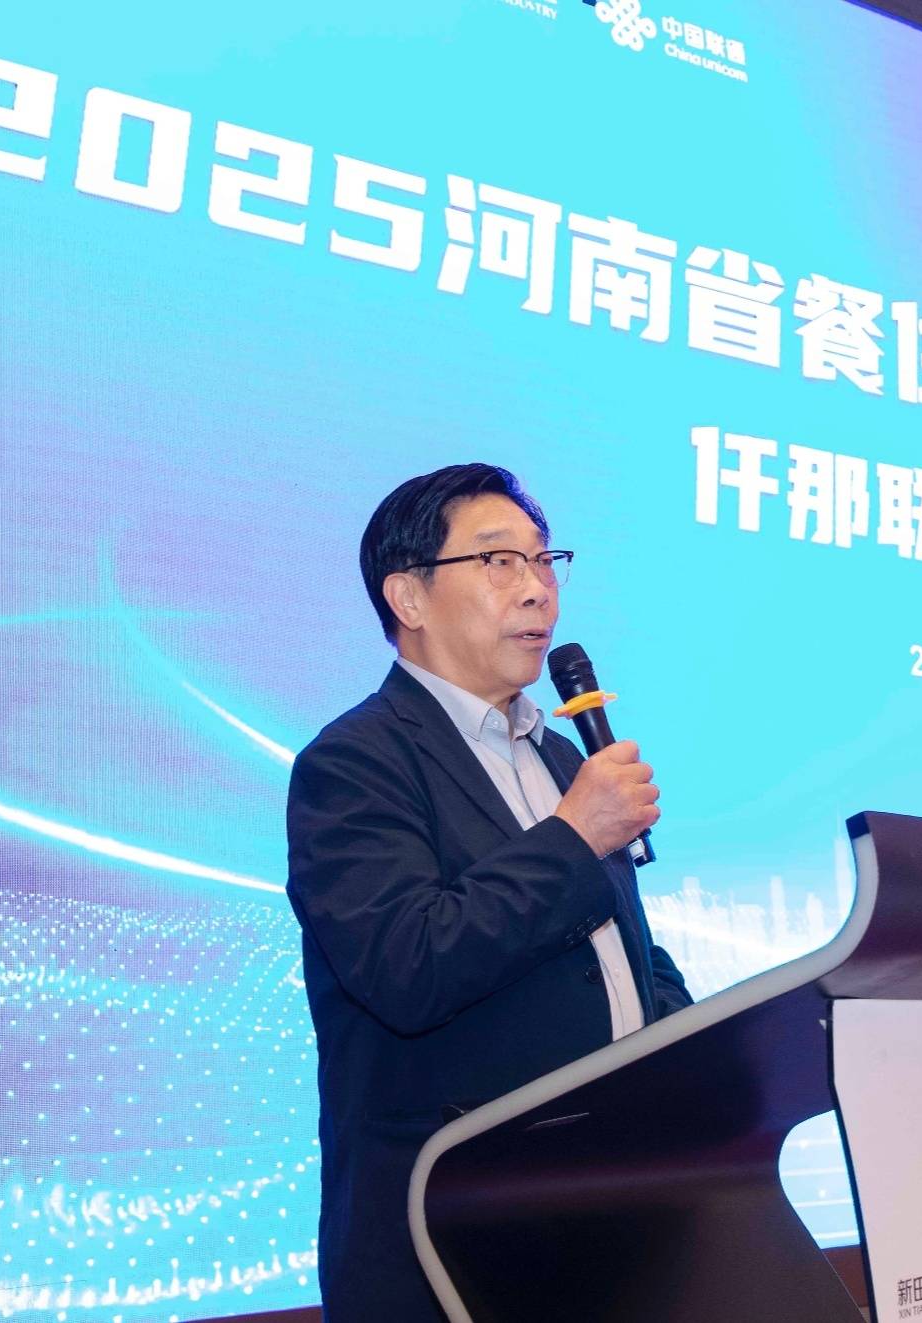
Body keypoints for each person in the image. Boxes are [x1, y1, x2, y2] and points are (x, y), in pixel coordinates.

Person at [285, 462, 693, 1321]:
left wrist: (696, 1050)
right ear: (408, 596)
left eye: (545, 561)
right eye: (499, 560)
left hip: (614, 1215)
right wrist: (574, 838)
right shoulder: (354, 762)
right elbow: (407, 964)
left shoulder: (560, 757)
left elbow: (620, 956)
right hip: (456, 1236)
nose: (538, 588)